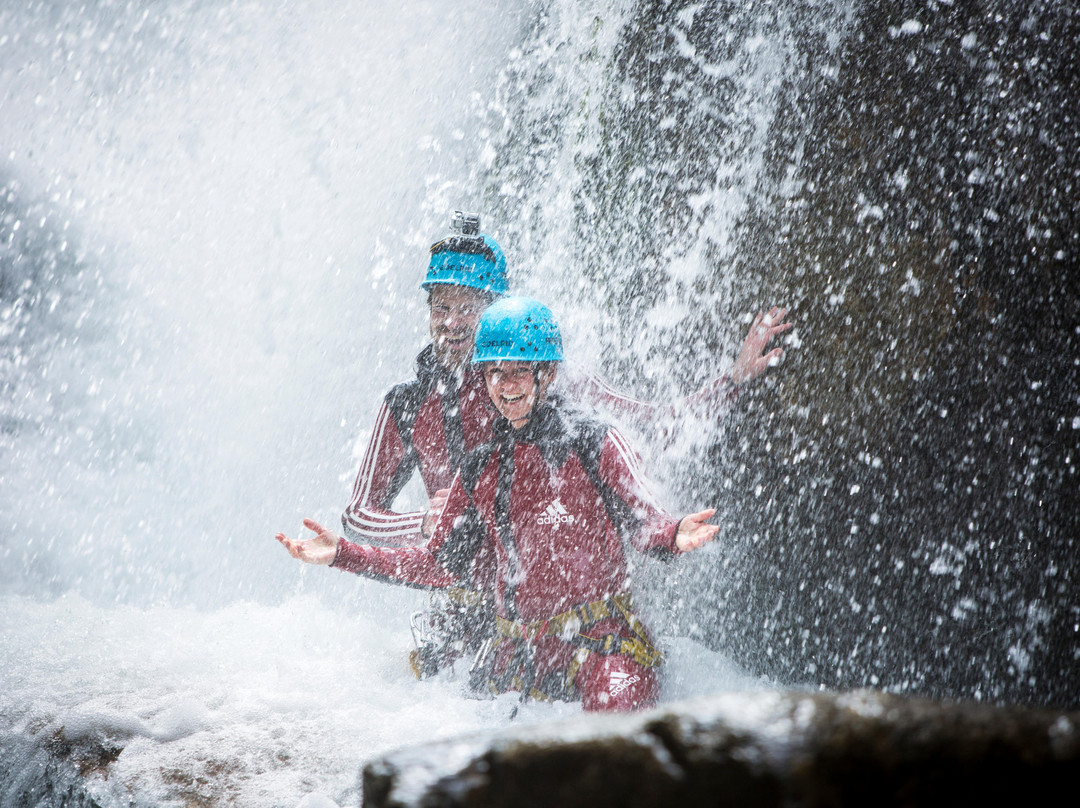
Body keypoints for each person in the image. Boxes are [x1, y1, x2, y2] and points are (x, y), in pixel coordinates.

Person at [337, 211, 792, 677]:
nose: (451, 322)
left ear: (495, 307)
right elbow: (356, 515)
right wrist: (426, 521)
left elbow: (652, 424)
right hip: (468, 609)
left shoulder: (549, 374)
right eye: (440, 306)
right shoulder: (408, 406)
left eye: (467, 305)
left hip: (565, 612)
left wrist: (733, 380)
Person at [277, 297, 721, 712]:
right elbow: (439, 565)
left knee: (617, 724)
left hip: (599, 641)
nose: (505, 386)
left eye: (518, 371)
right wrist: (343, 554)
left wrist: (673, 532)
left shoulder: (594, 441)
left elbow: (645, 521)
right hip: (518, 653)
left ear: (546, 373)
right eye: (494, 372)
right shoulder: (477, 467)